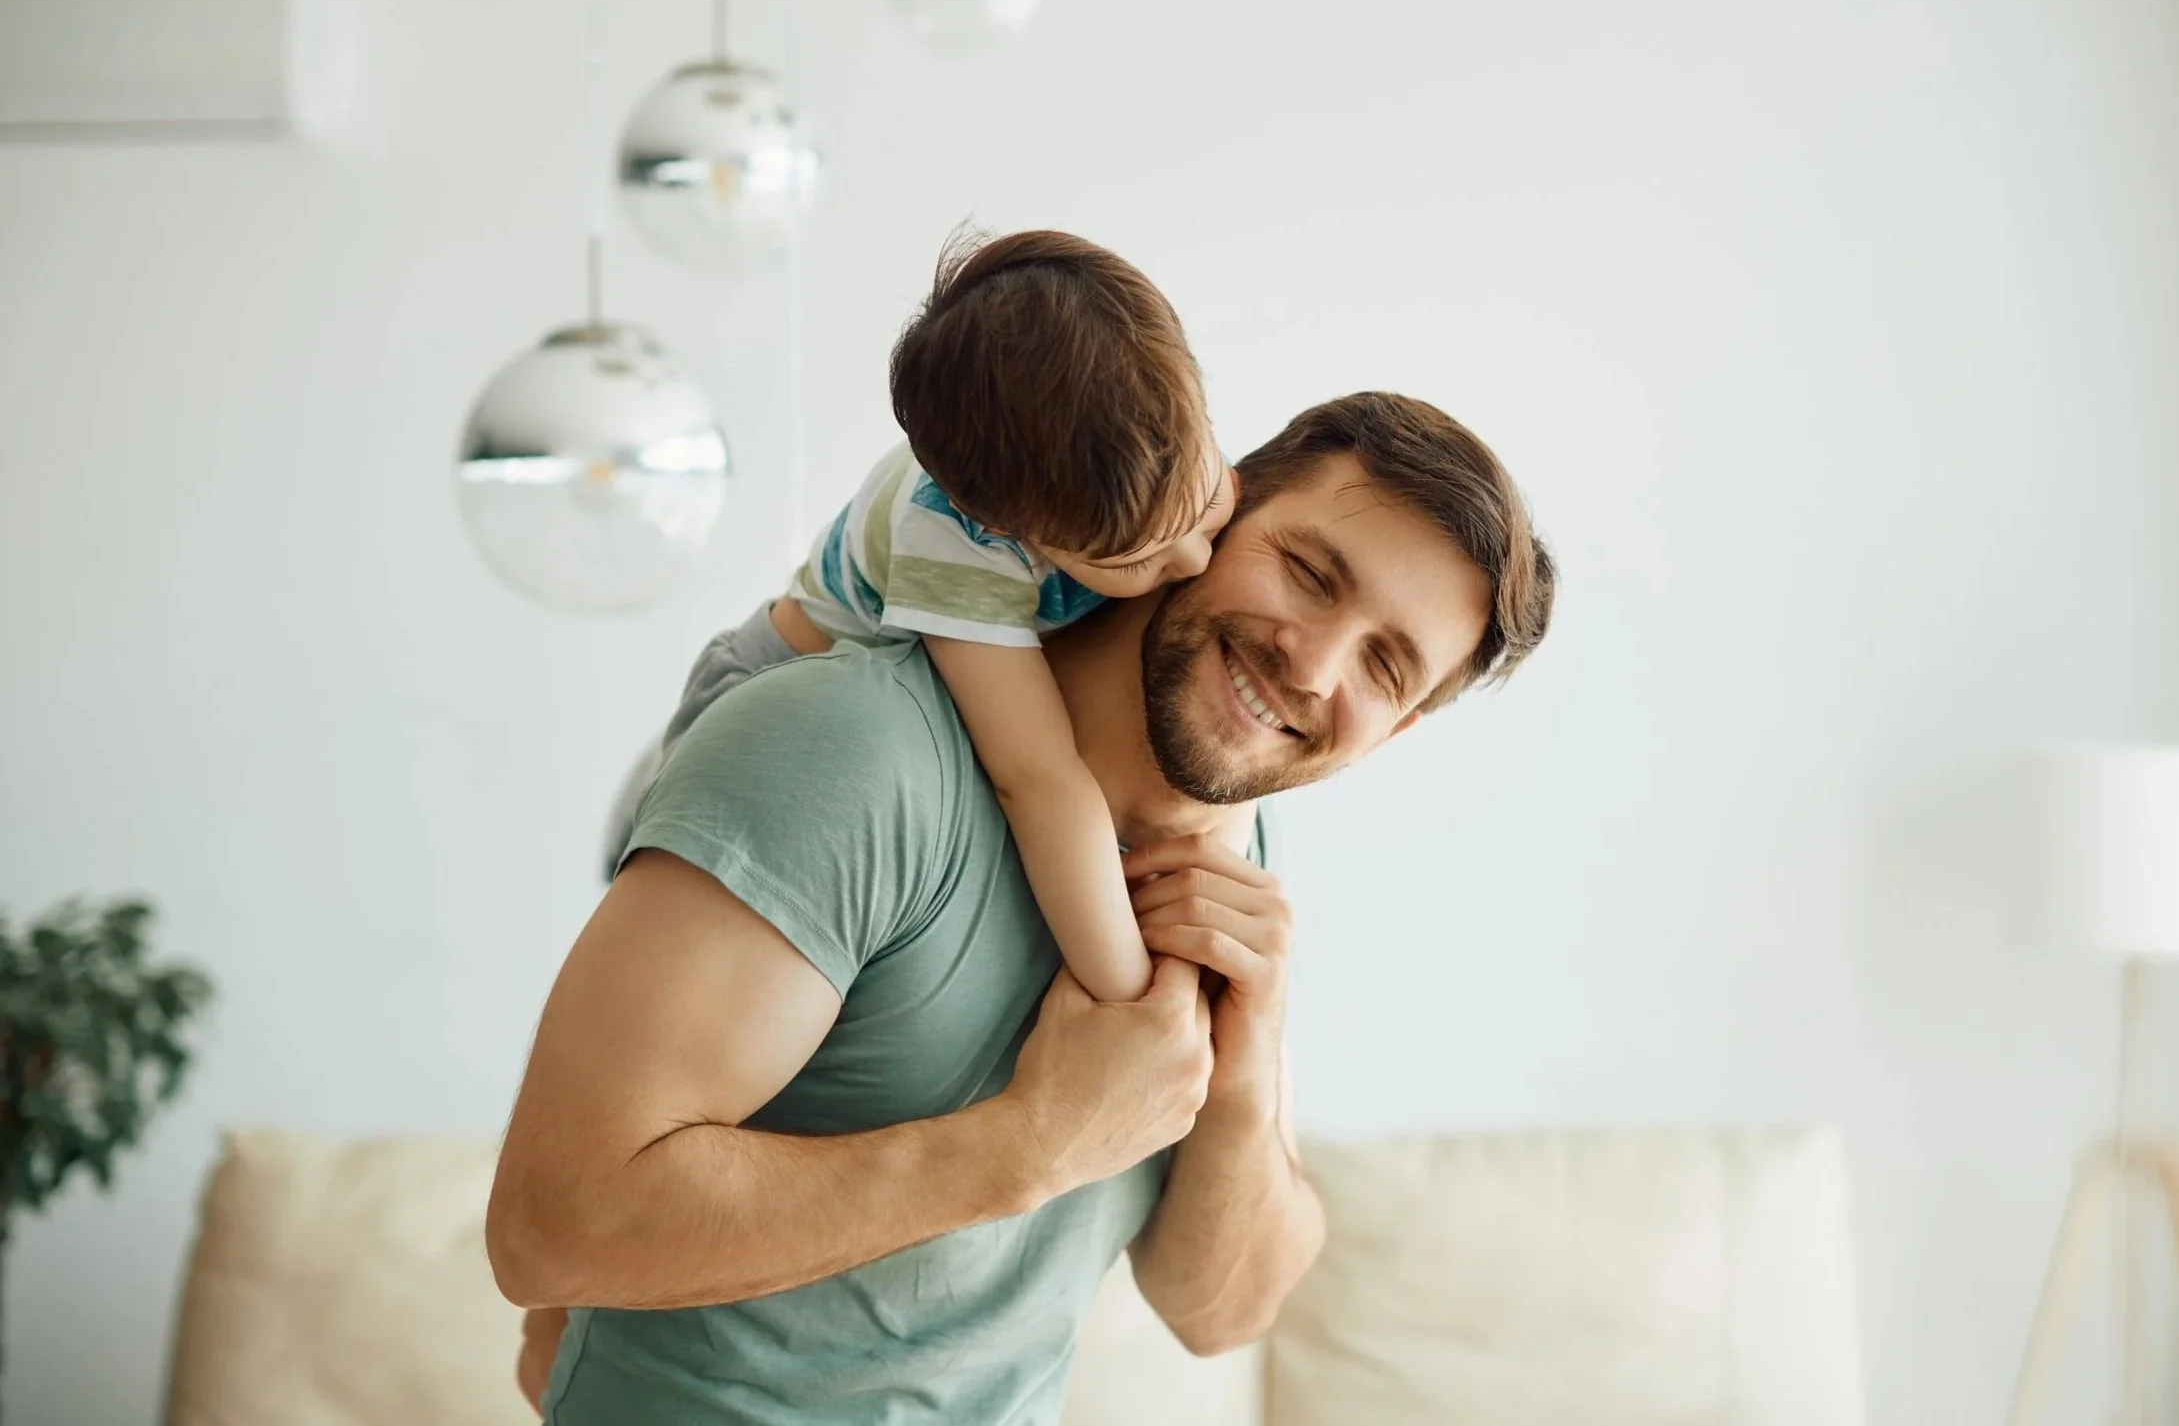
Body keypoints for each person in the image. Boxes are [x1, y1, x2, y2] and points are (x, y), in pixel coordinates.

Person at [488, 391, 1557, 1425]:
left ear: (1398, 728)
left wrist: (1240, 1065)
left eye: (1382, 664)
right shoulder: (853, 750)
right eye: (1309, 573)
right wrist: (1029, 1144)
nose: (1312, 663)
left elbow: (1219, 1309)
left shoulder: (1237, 861)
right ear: (1218, 512)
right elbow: (554, 1224)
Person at [604, 227, 1236, 1003]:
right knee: (680, 947)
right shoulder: (955, 540)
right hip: (766, 697)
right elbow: (1039, 781)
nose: (1196, 563)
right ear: (1014, 532)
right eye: (1136, 561)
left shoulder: (1154, 440)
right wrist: (1135, 999)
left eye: (1207, 505)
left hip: (897, 704)